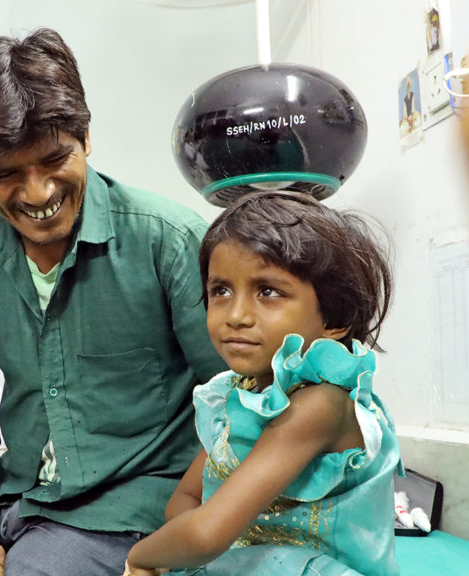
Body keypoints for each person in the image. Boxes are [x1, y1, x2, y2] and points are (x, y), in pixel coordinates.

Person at [0, 28, 227, 576]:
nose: (37, 193)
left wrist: (194, 521)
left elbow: (239, 399)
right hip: (18, 507)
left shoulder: (168, 240)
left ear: (85, 138)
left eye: (54, 160)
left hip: (129, 511)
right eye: (6, 175)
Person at [123, 190, 402, 576]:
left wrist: (142, 557)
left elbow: (205, 535)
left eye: (268, 291)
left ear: (335, 317)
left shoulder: (321, 405)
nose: (236, 315)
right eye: (221, 290)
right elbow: (185, 498)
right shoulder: (237, 393)